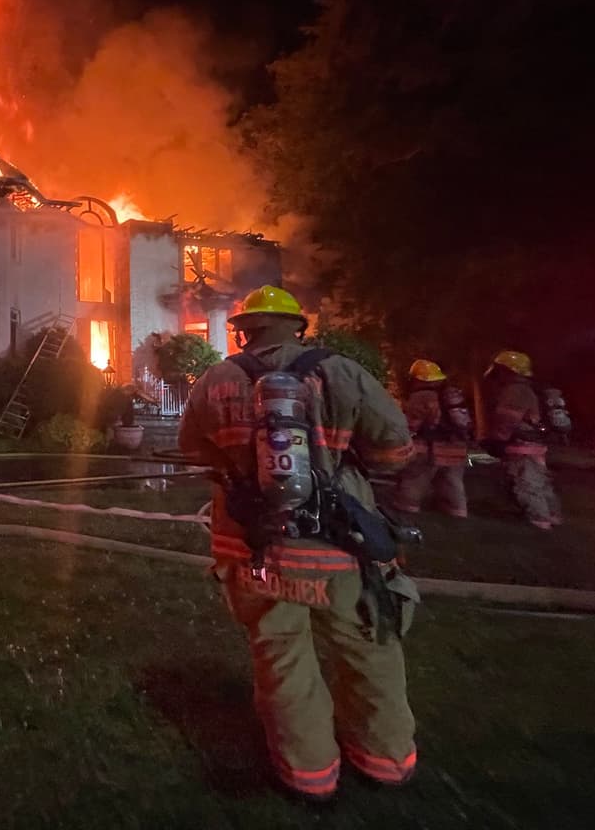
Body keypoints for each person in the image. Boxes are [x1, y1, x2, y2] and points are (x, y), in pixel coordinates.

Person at [178, 285, 418, 801]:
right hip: (341, 548)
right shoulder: (341, 372)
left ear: (244, 330)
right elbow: (396, 449)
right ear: (297, 328)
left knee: (282, 660)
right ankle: (385, 761)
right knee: (370, 649)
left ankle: (308, 775)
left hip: (255, 551)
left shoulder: (214, 381)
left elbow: (193, 451)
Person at [481, 350, 561, 530]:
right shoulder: (527, 389)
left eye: (500, 370)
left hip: (522, 445)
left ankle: (539, 521)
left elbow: (507, 418)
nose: (498, 375)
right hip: (534, 445)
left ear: (508, 371)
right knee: (540, 482)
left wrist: (498, 439)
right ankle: (551, 515)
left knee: (526, 484)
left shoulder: (515, 391)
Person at [394, 360, 470, 518]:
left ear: (416, 379)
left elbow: (411, 424)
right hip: (456, 448)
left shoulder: (420, 397)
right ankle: (457, 512)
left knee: (414, 480)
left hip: (429, 448)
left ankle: (406, 509)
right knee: (453, 483)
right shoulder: (452, 394)